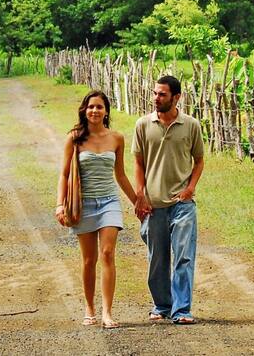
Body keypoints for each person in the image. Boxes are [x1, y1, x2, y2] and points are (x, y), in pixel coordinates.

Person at [54, 90, 142, 329]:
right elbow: (64, 174)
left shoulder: (117, 138)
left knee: (108, 253)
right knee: (88, 259)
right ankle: (89, 308)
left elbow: (121, 175)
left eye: (99, 107)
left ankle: (107, 312)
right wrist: (60, 204)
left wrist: (137, 201)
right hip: (82, 205)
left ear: (106, 111)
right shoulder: (75, 138)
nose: (95, 111)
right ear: (84, 110)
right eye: (91, 106)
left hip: (109, 203)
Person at [133, 75, 205, 325]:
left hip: (182, 204)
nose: (156, 98)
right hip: (153, 205)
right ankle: (162, 305)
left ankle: (182, 309)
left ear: (176, 97)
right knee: (157, 258)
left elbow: (199, 160)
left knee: (184, 256)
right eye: (155, 93)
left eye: (162, 94)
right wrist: (140, 194)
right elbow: (139, 162)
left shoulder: (191, 125)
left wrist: (190, 189)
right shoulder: (143, 124)